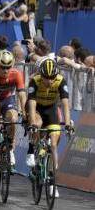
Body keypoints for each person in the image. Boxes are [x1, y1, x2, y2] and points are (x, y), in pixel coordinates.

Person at [26, 58, 73, 198]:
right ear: (41, 75)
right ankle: (31, 148)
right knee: (37, 124)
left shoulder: (60, 80)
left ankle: (52, 182)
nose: (50, 81)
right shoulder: (35, 81)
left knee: (53, 143)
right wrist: (32, 122)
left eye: (52, 77)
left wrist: (68, 122)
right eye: (47, 78)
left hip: (51, 109)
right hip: (37, 108)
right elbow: (32, 104)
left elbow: (65, 104)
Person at [0, 50, 26, 166]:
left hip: (7, 99)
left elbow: (22, 95)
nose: (5, 70)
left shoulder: (16, 74)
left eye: (8, 67)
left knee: (13, 119)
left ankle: (10, 147)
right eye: (3, 67)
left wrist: (24, 112)